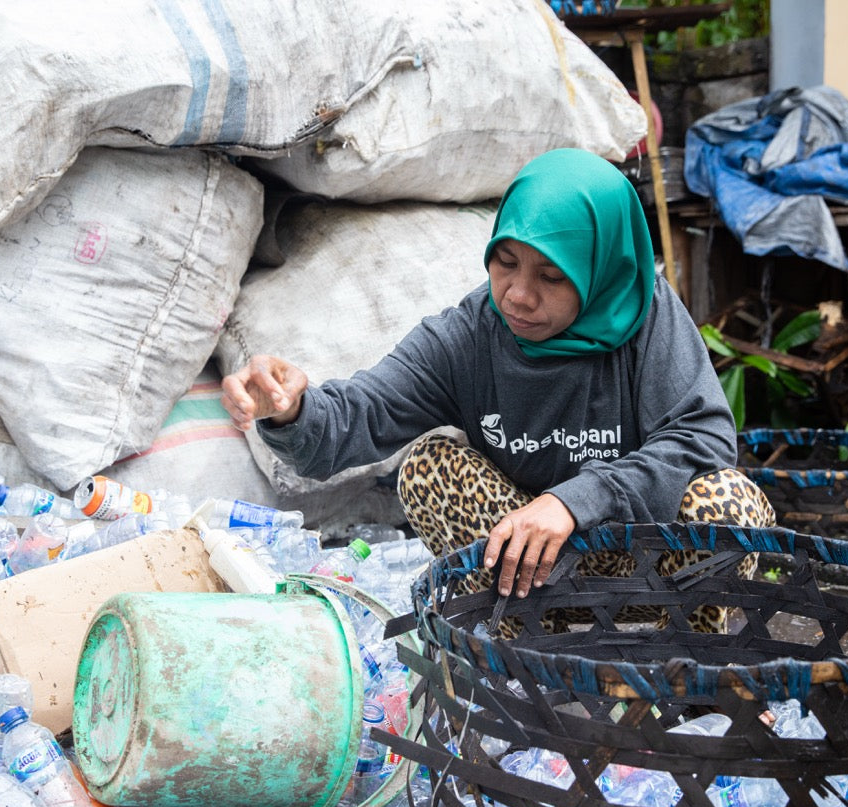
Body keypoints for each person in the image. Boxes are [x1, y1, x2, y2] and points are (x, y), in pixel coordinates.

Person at [221, 148, 775, 630]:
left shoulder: (646, 317)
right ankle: (530, 641)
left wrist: (574, 501)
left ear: (601, 270)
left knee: (728, 501)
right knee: (430, 466)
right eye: (505, 263)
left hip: (652, 570)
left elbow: (702, 438)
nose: (517, 295)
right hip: (537, 571)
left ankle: (682, 653)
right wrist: (292, 411)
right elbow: (362, 415)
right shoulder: (469, 337)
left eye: (552, 277)